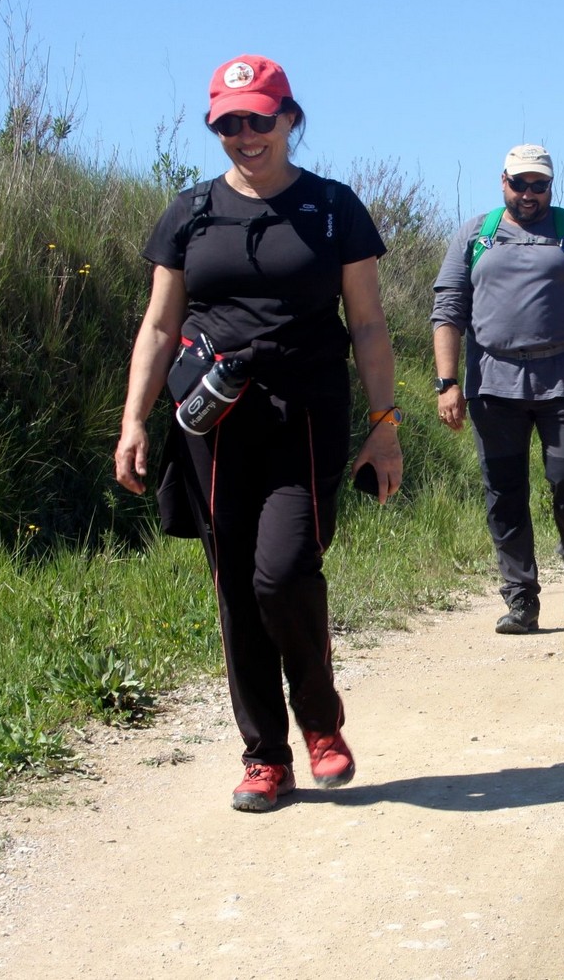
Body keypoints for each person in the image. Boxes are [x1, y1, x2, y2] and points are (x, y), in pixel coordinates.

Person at [114, 54, 402, 812]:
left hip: (303, 413)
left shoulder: (333, 208)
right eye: (229, 123)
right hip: (212, 420)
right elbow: (159, 325)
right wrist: (134, 419)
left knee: (282, 572)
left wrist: (384, 425)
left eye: (260, 119)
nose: (245, 134)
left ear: (289, 119)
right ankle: (264, 756)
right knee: (236, 587)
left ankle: (320, 720)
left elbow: (368, 324)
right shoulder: (190, 212)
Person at [431, 144, 564, 635]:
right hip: (493, 382)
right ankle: (520, 598)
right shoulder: (475, 235)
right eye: (519, 183)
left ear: (550, 186)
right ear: (503, 182)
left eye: (538, 185)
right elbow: (448, 309)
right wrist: (447, 383)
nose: (528, 193)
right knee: (504, 491)